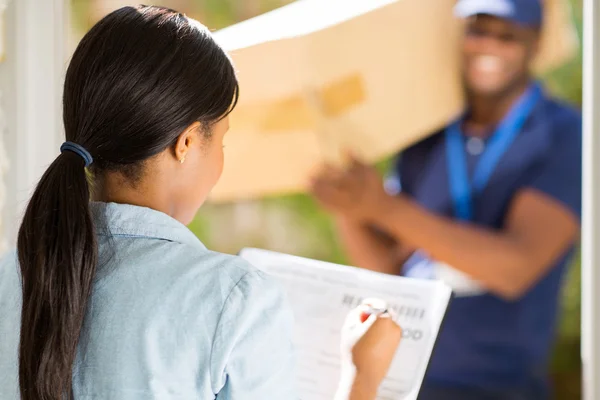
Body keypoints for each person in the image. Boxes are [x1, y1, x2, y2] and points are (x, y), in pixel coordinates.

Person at [0, 6, 401, 400]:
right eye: (221, 140)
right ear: (187, 143)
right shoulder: (233, 298)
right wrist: (362, 377)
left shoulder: (8, 276)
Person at [311, 0, 582, 399]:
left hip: (500, 385)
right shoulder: (428, 133)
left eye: (508, 35)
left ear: (536, 42)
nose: (488, 45)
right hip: (406, 376)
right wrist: (349, 206)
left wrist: (382, 207)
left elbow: (516, 267)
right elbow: (388, 270)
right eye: (478, 30)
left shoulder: (566, 135)